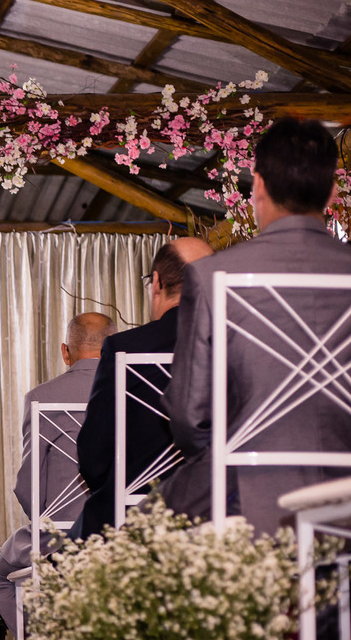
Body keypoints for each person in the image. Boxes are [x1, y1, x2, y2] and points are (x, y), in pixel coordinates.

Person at [162, 118, 351, 535]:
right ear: (333, 192)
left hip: (248, 502)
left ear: (258, 185)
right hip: (347, 500)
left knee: (138, 532)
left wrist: (236, 459)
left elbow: (189, 419)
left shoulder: (212, 277)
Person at [74, 237, 213, 539]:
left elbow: (94, 456)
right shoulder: (234, 344)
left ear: (157, 283)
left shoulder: (125, 347)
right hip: (219, 513)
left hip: (132, 518)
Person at [0, 313, 114, 637]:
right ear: (112, 347)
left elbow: (28, 486)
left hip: (59, 537)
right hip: (122, 534)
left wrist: (47, 524)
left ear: (65, 351)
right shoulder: (134, 393)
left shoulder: (42, 396)